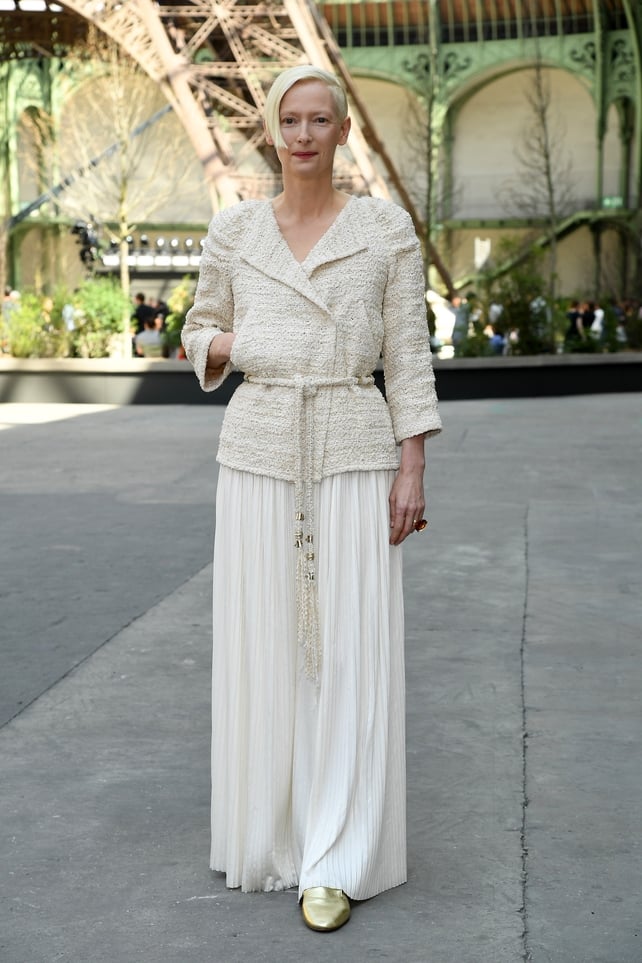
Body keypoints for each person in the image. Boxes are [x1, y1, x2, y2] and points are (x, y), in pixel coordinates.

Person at [181, 64, 442, 933]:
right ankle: (275, 835)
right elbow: (196, 331)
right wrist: (251, 340)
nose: (301, 134)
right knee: (268, 646)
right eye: (288, 120)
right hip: (256, 450)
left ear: (341, 131)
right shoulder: (234, 230)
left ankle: (336, 851)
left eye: (317, 120)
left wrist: (413, 466)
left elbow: (406, 356)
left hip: (354, 447)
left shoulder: (385, 229)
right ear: (270, 129)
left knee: (350, 652)